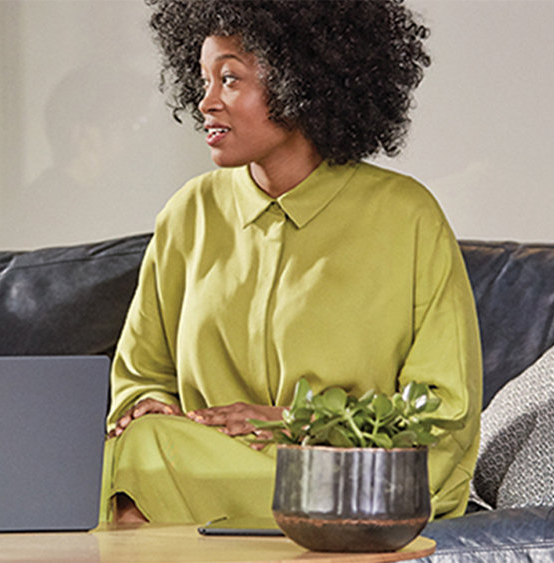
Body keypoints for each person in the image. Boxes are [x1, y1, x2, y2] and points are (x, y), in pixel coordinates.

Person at [103, 0, 482, 524]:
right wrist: (146, 405)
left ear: (301, 81)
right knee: (133, 449)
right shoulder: (189, 215)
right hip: (201, 469)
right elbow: (140, 373)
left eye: (230, 79)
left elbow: (444, 414)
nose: (206, 102)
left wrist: (296, 422)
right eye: (203, 80)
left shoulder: (405, 217)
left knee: (136, 468)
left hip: (349, 481)